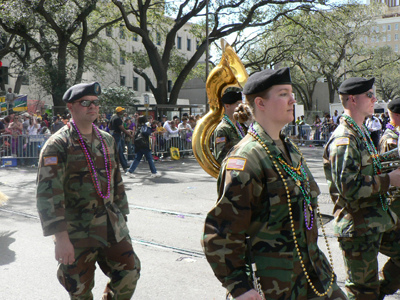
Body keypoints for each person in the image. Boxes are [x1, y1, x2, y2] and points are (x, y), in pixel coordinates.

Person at [202, 67, 346, 300]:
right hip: (275, 285)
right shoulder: (247, 159)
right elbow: (221, 232)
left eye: (291, 92)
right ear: (260, 103)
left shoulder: (288, 148)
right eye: (283, 93)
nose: (292, 99)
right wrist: (239, 287)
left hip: (313, 272)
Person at [36, 82, 140, 299]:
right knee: (80, 290)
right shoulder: (57, 145)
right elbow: (48, 195)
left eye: (95, 103)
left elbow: (117, 182)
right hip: (76, 231)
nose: (92, 107)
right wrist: (61, 239)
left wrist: (123, 217)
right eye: (85, 103)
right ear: (71, 106)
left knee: (129, 272)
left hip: (111, 225)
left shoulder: (107, 140)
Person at [323, 77, 400, 300]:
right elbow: (349, 187)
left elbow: (370, 165)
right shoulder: (344, 139)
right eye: (370, 95)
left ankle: (380, 292)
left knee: (370, 291)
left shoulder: (360, 131)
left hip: (376, 220)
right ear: (353, 100)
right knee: (362, 291)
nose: (374, 99)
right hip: (357, 226)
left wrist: (394, 159)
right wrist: (390, 180)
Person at [213, 90, 246, 164]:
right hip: (233, 171)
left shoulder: (240, 125)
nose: (241, 107)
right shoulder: (222, 129)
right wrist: (241, 163)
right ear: (227, 106)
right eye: (238, 104)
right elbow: (220, 157)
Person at [109, 107, 133, 172]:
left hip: (114, 134)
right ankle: (113, 165)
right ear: (119, 112)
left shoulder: (113, 117)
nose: (122, 112)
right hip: (117, 135)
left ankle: (124, 165)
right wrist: (129, 134)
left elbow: (109, 127)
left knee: (119, 151)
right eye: (122, 111)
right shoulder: (117, 118)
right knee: (117, 151)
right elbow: (121, 128)